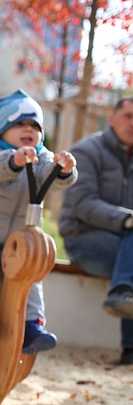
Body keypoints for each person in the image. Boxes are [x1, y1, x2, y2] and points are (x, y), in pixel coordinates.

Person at [0, 89, 77, 353]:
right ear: (2, 129)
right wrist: (14, 160)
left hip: (15, 241)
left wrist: (65, 169)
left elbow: (54, 181)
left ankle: (33, 324)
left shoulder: (42, 158)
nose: (28, 130)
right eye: (19, 123)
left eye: (34, 125)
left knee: (32, 268)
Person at [58, 97, 133, 365]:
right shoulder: (87, 150)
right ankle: (131, 347)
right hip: (84, 238)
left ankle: (122, 293)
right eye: (128, 116)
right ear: (111, 119)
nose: (132, 123)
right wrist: (127, 220)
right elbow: (83, 204)